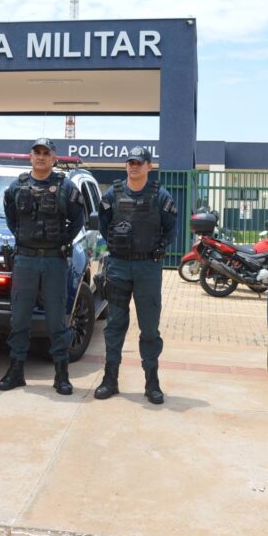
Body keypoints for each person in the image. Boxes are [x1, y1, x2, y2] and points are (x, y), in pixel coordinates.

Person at [0, 137, 85, 394]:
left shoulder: (66, 187)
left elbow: (77, 221)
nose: (41, 157)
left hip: (53, 261)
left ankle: (61, 375)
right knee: (19, 318)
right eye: (37, 152)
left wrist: (59, 242)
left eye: (46, 153)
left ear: (53, 158)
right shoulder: (17, 187)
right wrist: (26, 240)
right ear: (30, 156)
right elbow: (12, 219)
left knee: (57, 320)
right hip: (25, 259)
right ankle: (16, 372)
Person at [95, 146, 177, 404]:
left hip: (147, 269)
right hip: (119, 266)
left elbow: (171, 229)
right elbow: (103, 223)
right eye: (130, 162)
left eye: (139, 163)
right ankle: (110, 379)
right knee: (115, 324)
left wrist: (157, 250)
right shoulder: (113, 193)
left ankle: (152, 383)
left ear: (149, 167)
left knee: (149, 327)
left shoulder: (160, 195)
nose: (134, 166)